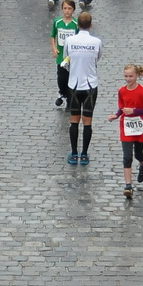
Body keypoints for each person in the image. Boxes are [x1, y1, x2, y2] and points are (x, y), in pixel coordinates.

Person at [109, 62, 143, 199]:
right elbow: (122, 107)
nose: (128, 79)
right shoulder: (122, 91)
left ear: (137, 76)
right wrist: (116, 115)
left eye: (131, 76)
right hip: (127, 127)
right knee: (127, 156)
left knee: (138, 153)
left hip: (140, 127)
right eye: (126, 76)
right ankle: (128, 185)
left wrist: (134, 111)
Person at [63, 9, 101, 168]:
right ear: (91, 25)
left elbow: (66, 57)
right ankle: (84, 154)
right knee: (87, 121)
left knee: (74, 120)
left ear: (77, 25)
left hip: (74, 84)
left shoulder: (70, 41)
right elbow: (98, 57)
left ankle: (74, 152)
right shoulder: (96, 42)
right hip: (91, 85)